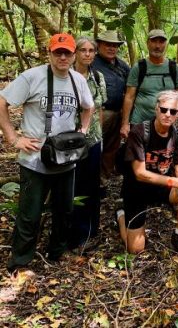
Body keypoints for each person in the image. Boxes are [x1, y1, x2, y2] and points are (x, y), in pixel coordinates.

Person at [0, 33, 93, 274]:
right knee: (30, 214)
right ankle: (20, 262)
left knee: (64, 211)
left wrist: (83, 130)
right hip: (35, 158)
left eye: (67, 53)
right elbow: (2, 102)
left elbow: (88, 107)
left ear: (74, 56)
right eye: (58, 52)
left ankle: (57, 253)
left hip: (66, 159)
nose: (63, 57)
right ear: (49, 53)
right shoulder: (32, 77)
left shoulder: (78, 80)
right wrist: (13, 138)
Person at [116, 90, 178, 253]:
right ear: (156, 109)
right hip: (136, 188)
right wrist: (177, 182)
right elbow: (140, 173)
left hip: (163, 186)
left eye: (173, 111)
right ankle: (121, 215)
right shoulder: (140, 132)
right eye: (164, 109)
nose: (167, 114)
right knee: (135, 249)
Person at [68, 36, 108, 250]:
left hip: (92, 140)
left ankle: (91, 231)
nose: (87, 54)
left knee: (92, 185)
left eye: (91, 50)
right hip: (69, 142)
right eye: (82, 50)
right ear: (75, 53)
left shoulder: (98, 77)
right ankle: (73, 234)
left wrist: (99, 139)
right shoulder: (66, 76)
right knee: (73, 186)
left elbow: (99, 110)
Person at [120, 29, 178, 139]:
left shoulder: (173, 68)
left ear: (165, 44)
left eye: (161, 42)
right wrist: (125, 124)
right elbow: (129, 96)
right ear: (148, 43)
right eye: (154, 41)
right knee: (138, 155)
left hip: (167, 123)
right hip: (140, 122)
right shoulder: (139, 67)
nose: (157, 46)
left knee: (163, 154)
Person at [92, 30, 130, 182]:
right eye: (108, 44)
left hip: (117, 113)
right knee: (93, 147)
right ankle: (89, 181)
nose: (111, 48)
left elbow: (130, 89)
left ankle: (103, 181)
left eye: (115, 45)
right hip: (97, 113)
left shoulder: (122, 65)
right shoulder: (92, 63)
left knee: (111, 149)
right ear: (99, 45)